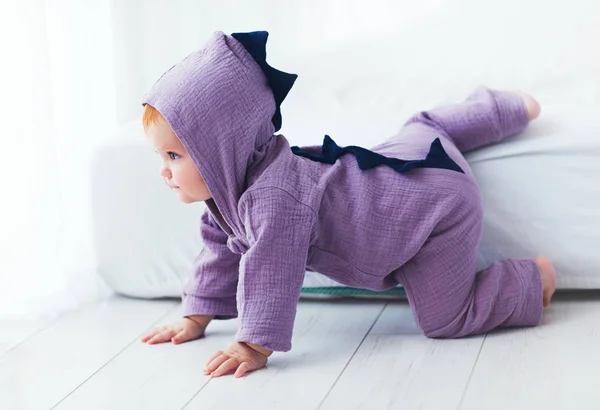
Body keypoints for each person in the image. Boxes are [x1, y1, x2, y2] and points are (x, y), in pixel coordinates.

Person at [140, 30, 556, 378]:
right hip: (405, 161)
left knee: (446, 318)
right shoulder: (226, 197)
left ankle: (531, 281)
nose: (163, 171)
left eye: (174, 156)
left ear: (221, 149)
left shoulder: (273, 201)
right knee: (422, 129)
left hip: (435, 211)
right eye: (161, 157)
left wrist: (252, 345)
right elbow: (219, 252)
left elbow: (271, 273)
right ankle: (506, 108)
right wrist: (195, 315)